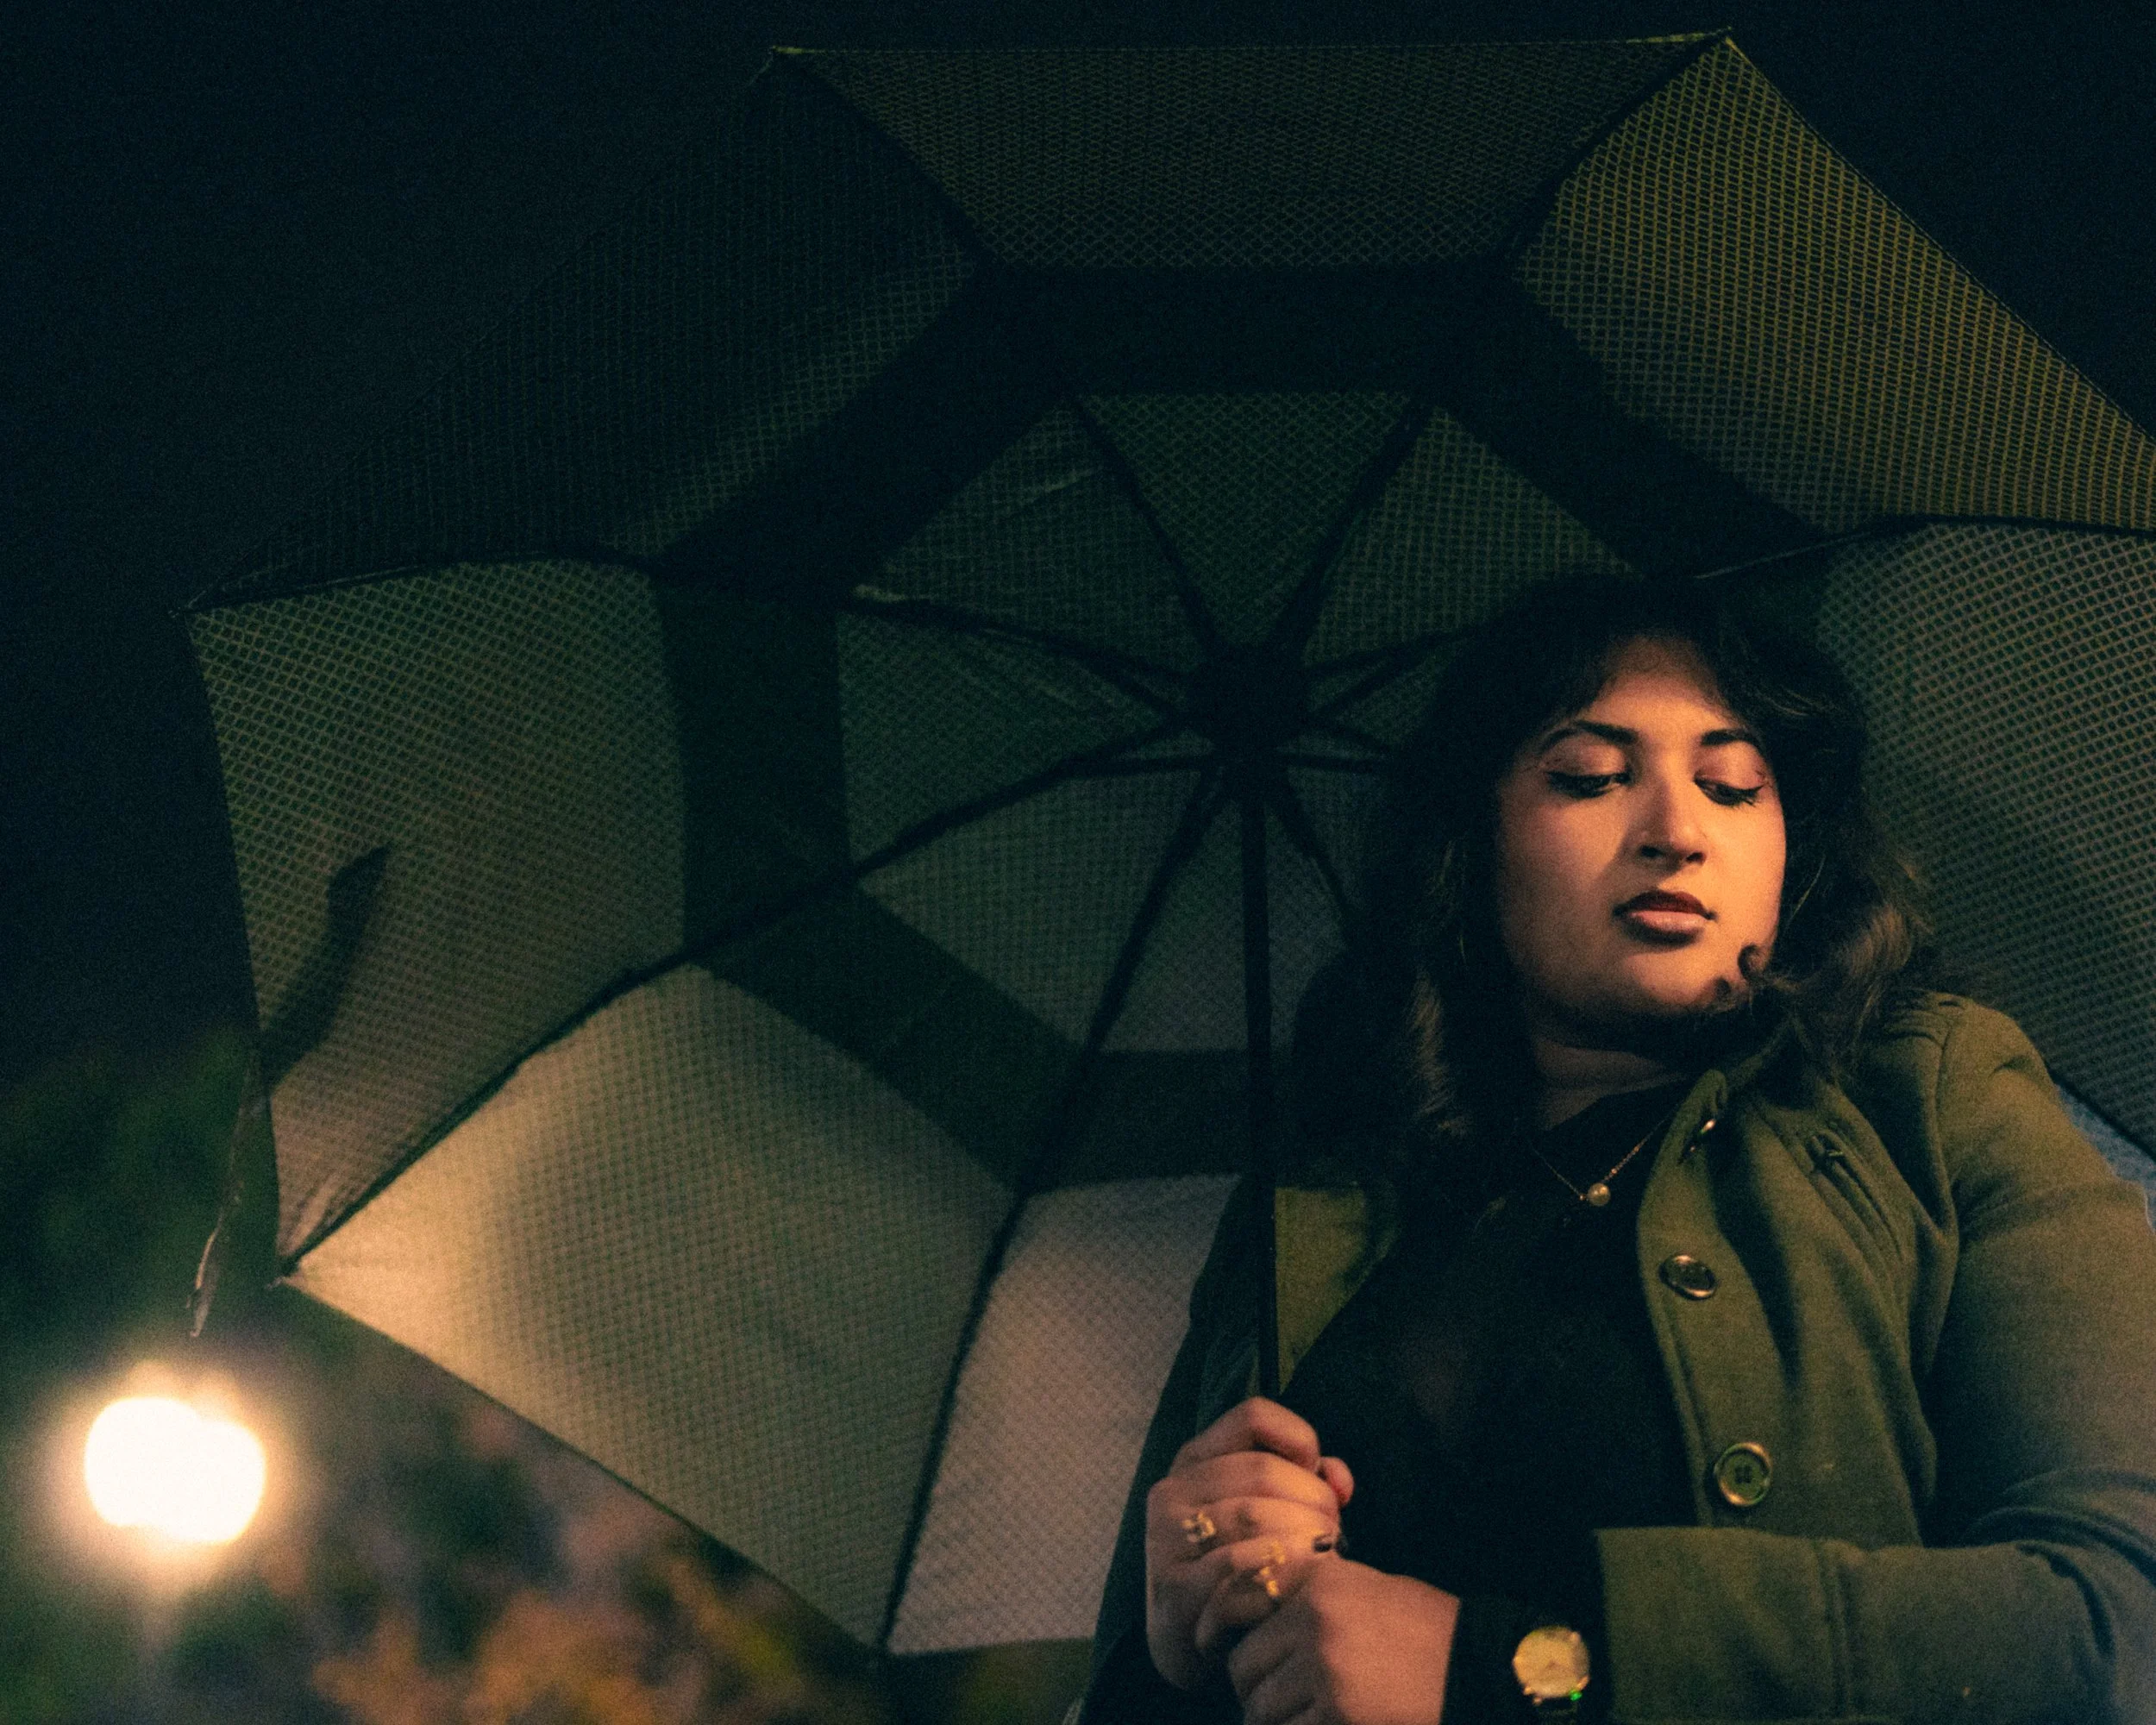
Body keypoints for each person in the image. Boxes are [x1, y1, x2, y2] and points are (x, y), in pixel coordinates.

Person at [1078, 573, 2156, 1724]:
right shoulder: (1315, 1203)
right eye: (1590, 777)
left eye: (1736, 786)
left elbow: (2116, 1628)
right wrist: (1173, 1643)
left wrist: (1508, 1669)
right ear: (1473, 842)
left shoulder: (1932, 1101)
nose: (1676, 833)